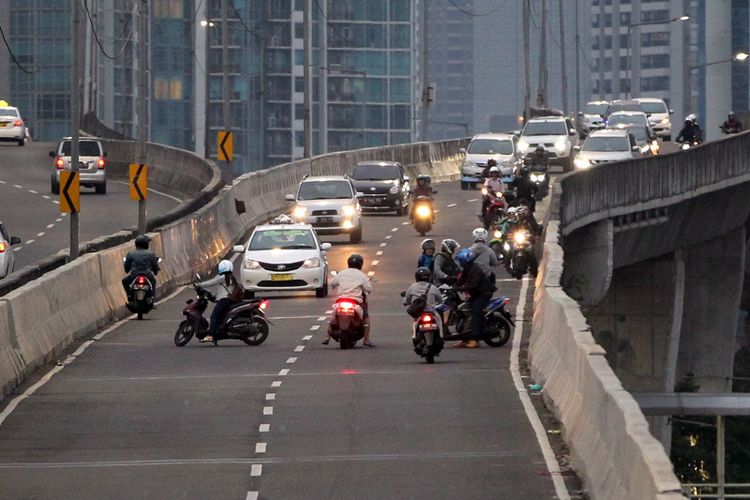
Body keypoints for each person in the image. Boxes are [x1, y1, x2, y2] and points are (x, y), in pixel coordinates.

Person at [323, 253, 375, 347]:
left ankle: (327, 336)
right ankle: (366, 339)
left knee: (333, 317)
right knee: (365, 318)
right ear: (361, 264)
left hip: (341, 300)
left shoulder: (342, 273)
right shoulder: (362, 275)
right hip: (355, 301)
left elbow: (333, 284)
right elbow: (369, 289)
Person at [454, 248, 494, 348]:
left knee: (476, 312)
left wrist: (462, 288)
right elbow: (461, 280)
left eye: (460, 261)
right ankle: (465, 338)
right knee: (463, 311)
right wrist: (453, 287)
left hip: (483, 294)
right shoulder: (467, 269)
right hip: (475, 294)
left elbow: (473, 285)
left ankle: (475, 339)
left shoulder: (475, 270)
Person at [196, 259, 241, 343]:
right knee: (219, 317)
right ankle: (216, 333)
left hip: (225, 300)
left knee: (214, 317)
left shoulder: (223, 278)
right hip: (229, 300)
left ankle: (210, 336)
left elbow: (212, 282)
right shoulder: (230, 277)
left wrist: (199, 285)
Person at [404, 267, 444, 340]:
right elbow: (440, 300)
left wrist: (406, 302)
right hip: (431, 312)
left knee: (415, 321)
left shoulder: (412, 287)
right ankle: (441, 334)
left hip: (418, 313)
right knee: (439, 319)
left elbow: (407, 299)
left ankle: (414, 335)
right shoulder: (433, 287)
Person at [122, 234, 160, 301]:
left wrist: (127, 270)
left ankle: (129, 295)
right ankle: (152, 297)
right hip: (147, 274)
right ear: (146, 244)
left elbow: (126, 267)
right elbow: (155, 265)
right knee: (153, 281)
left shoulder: (131, 253)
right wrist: (155, 272)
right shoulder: (151, 254)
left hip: (134, 274)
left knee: (124, 281)